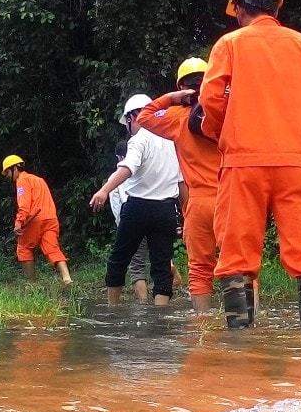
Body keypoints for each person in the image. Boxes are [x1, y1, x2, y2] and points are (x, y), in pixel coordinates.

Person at [200, 0, 301, 329]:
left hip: (242, 163)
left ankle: (241, 348)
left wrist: (220, 130)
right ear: (276, 7)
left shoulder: (228, 45)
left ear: (239, 8)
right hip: (296, 163)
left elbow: (211, 99)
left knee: (237, 256)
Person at [135, 57, 220, 313]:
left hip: (198, 202)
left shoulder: (176, 117)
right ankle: (250, 328)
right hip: (233, 200)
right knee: (243, 266)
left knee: (200, 270)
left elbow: (144, 117)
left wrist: (171, 98)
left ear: (184, 87)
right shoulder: (230, 111)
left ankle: (201, 328)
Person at [89, 94, 183, 306]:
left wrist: (104, 190)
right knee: (161, 267)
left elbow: (127, 168)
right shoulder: (171, 140)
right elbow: (180, 181)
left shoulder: (139, 139)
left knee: (119, 259)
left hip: (138, 208)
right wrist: (187, 211)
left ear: (132, 117)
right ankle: (161, 318)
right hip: (166, 210)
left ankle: (112, 310)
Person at [109, 140, 184, 302]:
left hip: (134, 218)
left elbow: (117, 210)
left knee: (134, 265)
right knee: (161, 262)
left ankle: (141, 305)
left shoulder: (118, 176)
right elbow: (179, 184)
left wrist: (123, 230)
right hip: (164, 212)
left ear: (119, 157)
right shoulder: (166, 153)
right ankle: (159, 314)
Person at [1, 154, 73, 285]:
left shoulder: (22, 181)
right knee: (53, 248)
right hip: (51, 219)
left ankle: (32, 284)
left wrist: (18, 223)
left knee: (23, 248)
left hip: (34, 220)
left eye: (7, 172)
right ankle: (67, 278)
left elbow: (24, 205)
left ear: (14, 169)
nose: (7, 176)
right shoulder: (38, 179)